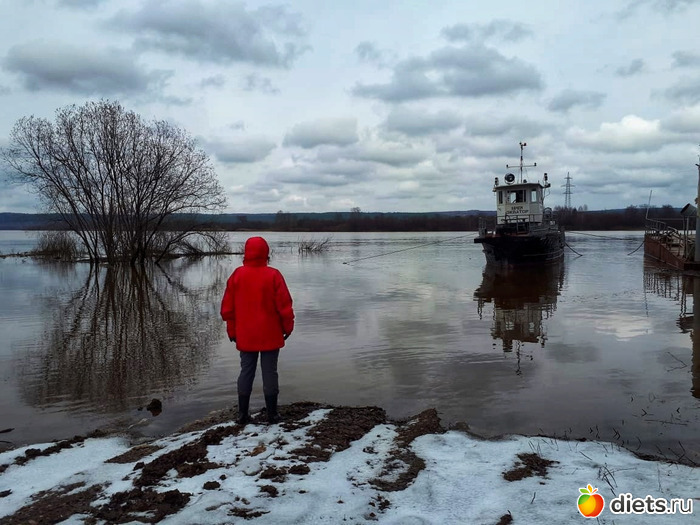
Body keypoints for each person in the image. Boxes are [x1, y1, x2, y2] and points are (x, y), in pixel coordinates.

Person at [220, 236, 294, 425]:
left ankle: (242, 414)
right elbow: (285, 306)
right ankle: (272, 414)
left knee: (246, 371)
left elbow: (228, 309)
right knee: (270, 372)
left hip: (245, 334)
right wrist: (288, 327)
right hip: (270, 333)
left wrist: (232, 331)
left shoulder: (237, 275)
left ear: (246, 253)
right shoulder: (274, 275)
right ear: (266, 253)